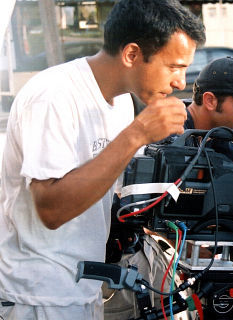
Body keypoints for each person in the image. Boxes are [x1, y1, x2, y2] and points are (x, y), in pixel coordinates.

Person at [0, 0, 205, 319]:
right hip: (38, 293)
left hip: (82, 286)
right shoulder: (54, 95)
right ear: (132, 55)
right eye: (174, 66)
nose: (180, 82)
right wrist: (136, 134)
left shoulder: (122, 102)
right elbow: (51, 210)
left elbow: (110, 192)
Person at [104, 57, 233, 319]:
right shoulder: (162, 136)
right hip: (135, 258)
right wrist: (185, 247)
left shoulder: (227, 144)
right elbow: (139, 208)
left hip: (179, 263)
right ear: (210, 100)